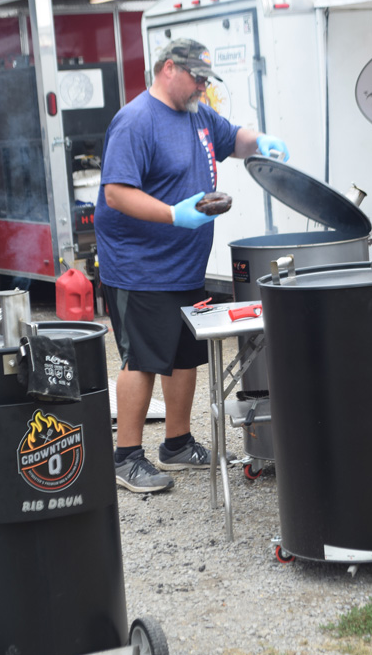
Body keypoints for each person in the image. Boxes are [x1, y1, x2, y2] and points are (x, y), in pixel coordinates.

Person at [94, 38, 289, 494]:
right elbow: (115, 193)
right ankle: (125, 458)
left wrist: (258, 141)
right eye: (196, 77)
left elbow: (232, 138)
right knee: (142, 359)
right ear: (167, 70)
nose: (202, 85)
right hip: (139, 266)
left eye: (205, 78)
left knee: (184, 356)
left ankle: (176, 444)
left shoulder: (198, 114)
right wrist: (173, 214)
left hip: (184, 264)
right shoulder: (136, 121)